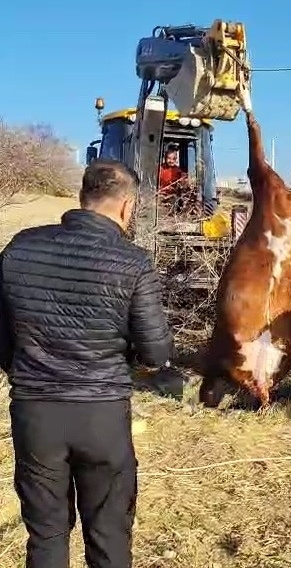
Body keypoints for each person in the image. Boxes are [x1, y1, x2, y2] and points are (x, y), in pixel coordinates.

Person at [0, 160, 175, 568]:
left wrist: (25, 370)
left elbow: (1, 335)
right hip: (102, 416)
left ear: (82, 197)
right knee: (109, 532)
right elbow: (156, 353)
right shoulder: (133, 263)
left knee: (45, 533)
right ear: (127, 207)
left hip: (35, 414)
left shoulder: (20, 247)